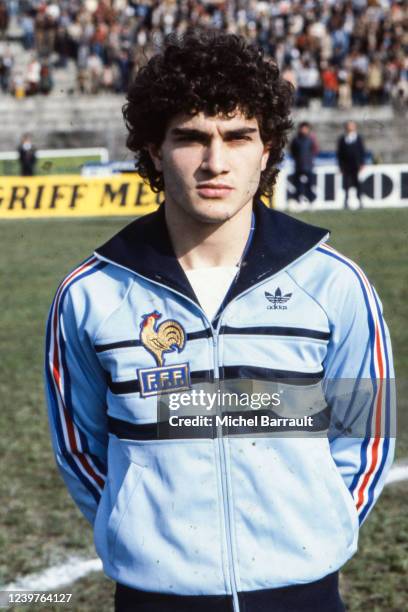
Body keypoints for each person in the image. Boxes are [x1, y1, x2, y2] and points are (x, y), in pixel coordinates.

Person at [45, 31, 394, 612]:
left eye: (237, 136)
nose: (215, 161)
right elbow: (81, 449)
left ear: (267, 149)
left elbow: (367, 434)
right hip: (155, 597)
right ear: (155, 151)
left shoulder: (335, 285)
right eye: (190, 137)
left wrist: (309, 530)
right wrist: (147, 535)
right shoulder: (91, 296)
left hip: (303, 592)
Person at [337, 121, 366, 209]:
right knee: (346, 184)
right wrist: (340, 165)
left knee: (357, 183)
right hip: (346, 165)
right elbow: (340, 153)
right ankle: (346, 201)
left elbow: (362, 151)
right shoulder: (342, 139)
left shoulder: (358, 138)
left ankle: (360, 200)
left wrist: (361, 163)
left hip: (356, 164)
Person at [289, 121, 319, 204]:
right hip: (298, 165)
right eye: (302, 128)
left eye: (305, 128)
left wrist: (310, 159)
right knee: (298, 184)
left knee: (309, 184)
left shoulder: (311, 140)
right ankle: (298, 200)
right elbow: (293, 151)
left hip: (308, 166)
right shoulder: (296, 140)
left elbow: (315, 150)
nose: (303, 130)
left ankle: (311, 200)